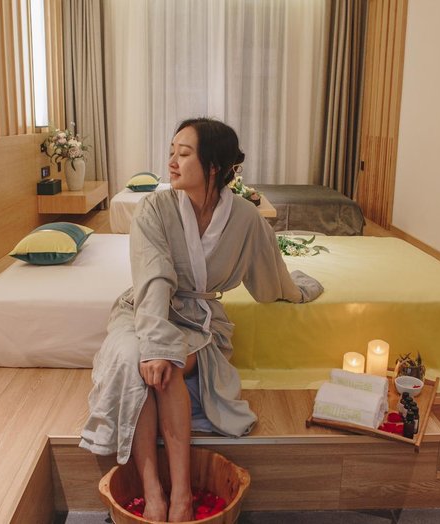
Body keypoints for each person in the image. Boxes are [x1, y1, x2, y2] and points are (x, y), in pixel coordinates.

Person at [80, 118, 323, 522]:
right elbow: (153, 278)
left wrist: (298, 290)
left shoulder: (244, 218)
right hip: (144, 310)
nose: (172, 162)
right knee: (134, 360)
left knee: (169, 366)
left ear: (213, 166)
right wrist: (154, 345)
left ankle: (182, 494)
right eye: (171, 152)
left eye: (184, 153)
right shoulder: (154, 209)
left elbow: (270, 277)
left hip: (199, 319)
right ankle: (152, 489)